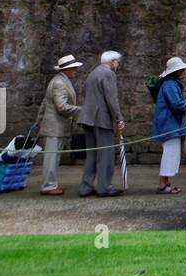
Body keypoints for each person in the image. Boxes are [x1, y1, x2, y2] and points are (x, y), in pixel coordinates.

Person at [79, 50, 125, 197]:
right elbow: (112, 99)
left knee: (91, 154)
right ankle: (104, 187)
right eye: (117, 62)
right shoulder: (109, 74)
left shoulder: (93, 73)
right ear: (112, 62)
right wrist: (119, 118)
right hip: (101, 119)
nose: (117, 64)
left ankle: (85, 187)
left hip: (87, 118)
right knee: (106, 154)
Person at [36, 54, 83, 195]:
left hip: (54, 126)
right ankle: (48, 186)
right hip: (54, 127)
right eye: (74, 68)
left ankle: (51, 184)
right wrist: (82, 110)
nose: (76, 70)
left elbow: (45, 104)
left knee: (53, 157)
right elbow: (61, 107)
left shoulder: (59, 81)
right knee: (51, 158)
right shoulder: (60, 83)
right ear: (67, 69)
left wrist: (38, 121)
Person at [152, 56, 186, 194]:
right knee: (170, 154)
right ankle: (163, 184)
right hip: (169, 125)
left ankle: (166, 182)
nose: (183, 71)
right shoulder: (170, 85)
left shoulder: (169, 84)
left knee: (171, 154)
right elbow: (176, 105)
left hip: (169, 124)